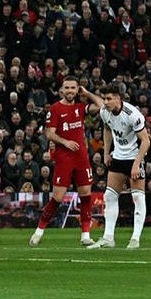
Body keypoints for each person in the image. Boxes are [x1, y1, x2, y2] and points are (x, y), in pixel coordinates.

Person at [30, 75, 107, 247]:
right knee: (57, 197)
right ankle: (39, 231)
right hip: (64, 158)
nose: (70, 91)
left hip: (82, 158)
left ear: (77, 89)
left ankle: (85, 235)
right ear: (62, 90)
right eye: (67, 88)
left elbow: (102, 105)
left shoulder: (81, 108)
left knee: (86, 195)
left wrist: (87, 93)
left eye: (73, 88)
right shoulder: (55, 109)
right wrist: (65, 142)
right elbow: (49, 133)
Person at [97, 84, 149, 249]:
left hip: (135, 157)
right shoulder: (105, 112)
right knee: (109, 196)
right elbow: (107, 128)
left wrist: (136, 164)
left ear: (119, 98)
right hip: (118, 157)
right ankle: (108, 237)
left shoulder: (132, 114)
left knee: (138, 198)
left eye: (109, 98)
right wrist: (106, 152)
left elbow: (146, 141)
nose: (105, 102)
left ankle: (135, 239)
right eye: (104, 98)